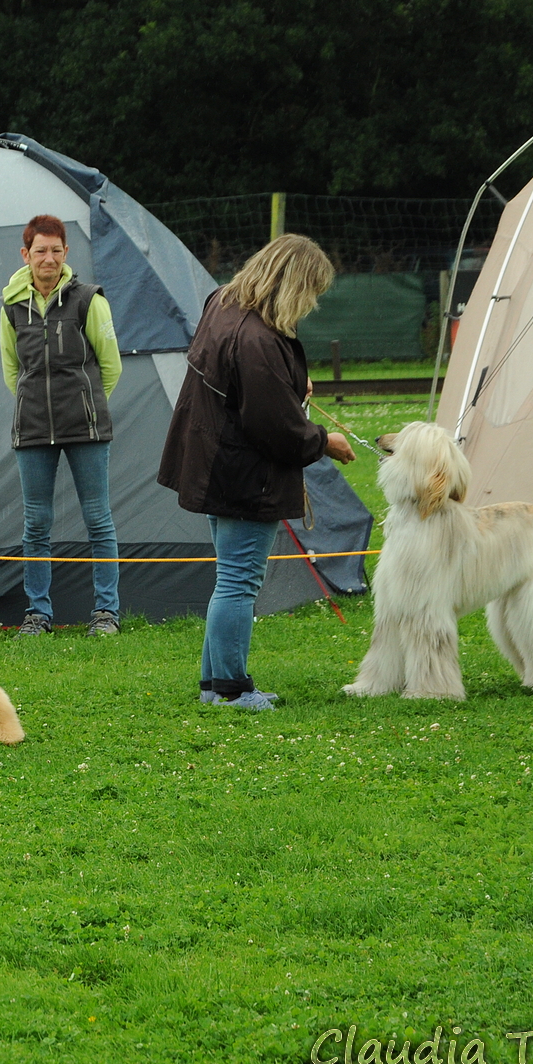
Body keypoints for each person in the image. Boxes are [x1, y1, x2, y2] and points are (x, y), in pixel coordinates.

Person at [158, 233, 356, 710]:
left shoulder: (222, 302)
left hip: (211, 463)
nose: (312, 304)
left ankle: (214, 685)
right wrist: (324, 442)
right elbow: (277, 428)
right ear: (294, 285)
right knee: (240, 581)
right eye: (311, 292)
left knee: (230, 576)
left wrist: (291, 380)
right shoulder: (259, 340)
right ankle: (229, 690)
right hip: (245, 474)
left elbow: (250, 384)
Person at [0, 214, 124, 637]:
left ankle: (106, 613)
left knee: (98, 519)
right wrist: (39, 404)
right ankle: (38, 614)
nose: (48, 258)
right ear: (26, 254)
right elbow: (12, 372)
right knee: (36, 523)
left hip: (86, 428)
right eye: (40, 251)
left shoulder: (89, 300)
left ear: (66, 253)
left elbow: (110, 367)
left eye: (56, 250)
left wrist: (83, 402)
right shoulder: (10, 307)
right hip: (32, 429)